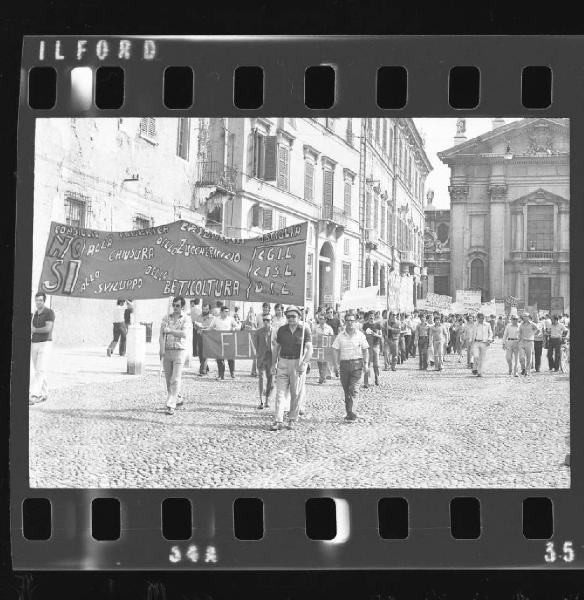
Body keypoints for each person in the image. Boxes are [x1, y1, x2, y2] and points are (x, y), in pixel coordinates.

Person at [270, 306, 313, 431]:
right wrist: (273, 364)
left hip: (297, 363)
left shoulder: (305, 330)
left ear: (299, 317)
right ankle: (278, 420)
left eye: (293, 316)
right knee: (280, 393)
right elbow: (276, 348)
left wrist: (304, 363)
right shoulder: (281, 330)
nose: (291, 319)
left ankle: (292, 419)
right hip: (283, 362)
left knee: (296, 393)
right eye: (288, 316)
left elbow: (310, 349)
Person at [332, 311, 369, 422]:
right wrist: (335, 364)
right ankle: (349, 412)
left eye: (352, 321)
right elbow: (335, 349)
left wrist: (366, 364)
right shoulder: (340, 336)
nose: (350, 323)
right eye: (348, 321)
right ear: (345, 322)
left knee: (354, 389)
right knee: (346, 390)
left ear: (355, 322)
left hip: (357, 365)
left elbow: (365, 349)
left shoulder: (360, 335)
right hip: (344, 365)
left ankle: (352, 413)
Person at [159, 296, 190, 415]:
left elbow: (184, 334)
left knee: (175, 378)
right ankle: (178, 397)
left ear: (182, 306)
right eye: (174, 305)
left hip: (179, 351)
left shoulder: (186, 319)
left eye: (178, 305)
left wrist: (170, 331)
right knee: (168, 379)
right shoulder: (166, 318)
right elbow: (161, 334)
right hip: (167, 350)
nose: (175, 308)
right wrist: (161, 349)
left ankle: (171, 404)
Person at [30, 292, 55, 405]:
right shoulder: (35, 313)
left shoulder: (49, 312)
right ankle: (45, 394)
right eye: (37, 300)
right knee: (39, 370)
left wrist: (35, 330)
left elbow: (48, 328)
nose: (38, 302)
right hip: (34, 343)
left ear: (44, 301)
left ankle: (33, 394)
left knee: (40, 370)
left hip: (45, 343)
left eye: (40, 300)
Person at [210, 305, 240, 380]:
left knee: (231, 358)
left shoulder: (230, 319)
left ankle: (232, 373)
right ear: (221, 312)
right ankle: (221, 375)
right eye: (225, 311)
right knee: (220, 359)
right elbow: (210, 328)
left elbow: (238, 326)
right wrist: (205, 331)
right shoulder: (216, 320)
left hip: (228, 340)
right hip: (219, 341)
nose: (227, 313)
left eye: (228, 311)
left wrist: (235, 328)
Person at [254, 313, 274, 409]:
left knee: (271, 380)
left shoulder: (275, 332)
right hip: (262, 357)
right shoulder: (258, 332)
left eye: (268, 320)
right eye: (264, 320)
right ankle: (261, 401)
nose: (266, 322)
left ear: (271, 321)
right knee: (261, 378)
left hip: (271, 358)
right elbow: (255, 345)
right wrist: (258, 355)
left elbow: (277, 345)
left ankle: (267, 399)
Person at [362, 311, 383, 386]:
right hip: (367, 346)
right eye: (370, 316)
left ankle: (377, 378)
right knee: (366, 364)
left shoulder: (378, 325)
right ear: (368, 317)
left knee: (376, 364)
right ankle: (366, 382)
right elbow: (362, 336)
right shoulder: (365, 325)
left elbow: (381, 336)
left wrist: (375, 334)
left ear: (374, 316)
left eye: (372, 316)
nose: (371, 317)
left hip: (375, 345)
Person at [313, 312, 334, 384]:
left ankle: (322, 377)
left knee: (325, 362)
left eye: (323, 319)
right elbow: (313, 337)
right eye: (320, 318)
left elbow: (332, 337)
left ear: (325, 320)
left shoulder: (329, 328)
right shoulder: (315, 327)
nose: (321, 320)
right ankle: (322, 376)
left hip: (326, 347)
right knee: (319, 363)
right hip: (318, 347)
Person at [470, 312, 493, 377]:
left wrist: (489, 339)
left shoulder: (487, 325)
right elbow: (472, 334)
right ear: (477, 318)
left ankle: (479, 372)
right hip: (476, 343)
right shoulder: (475, 325)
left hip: (484, 343)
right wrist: (470, 341)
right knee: (476, 356)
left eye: (483, 318)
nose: (482, 319)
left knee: (482, 358)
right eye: (480, 318)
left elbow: (490, 333)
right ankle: (475, 368)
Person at [193, 302, 213, 376]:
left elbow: (210, 327)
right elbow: (195, 327)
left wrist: (202, 326)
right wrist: (196, 325)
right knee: (200, 353)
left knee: (205, 353)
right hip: (199, 336)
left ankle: (202, 370)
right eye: (203, 309)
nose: (205, 310)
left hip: (207, 337)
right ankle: (205, 367)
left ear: (209, 309)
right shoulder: (199, 317)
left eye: (206, 309)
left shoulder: (212, 318)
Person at [518, 312, 539, 376]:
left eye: (525, 316)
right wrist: (519, 339)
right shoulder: (521, 324)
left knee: (529, 357)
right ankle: (523, 369)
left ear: (528, 317)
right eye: (523, 316)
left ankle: (527, 370)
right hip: (522, 341)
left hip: (530, 342)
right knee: (521, 357)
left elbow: (538, 330)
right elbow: (520, 332)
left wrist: (533, 334)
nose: (524, 317)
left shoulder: (532, 324)